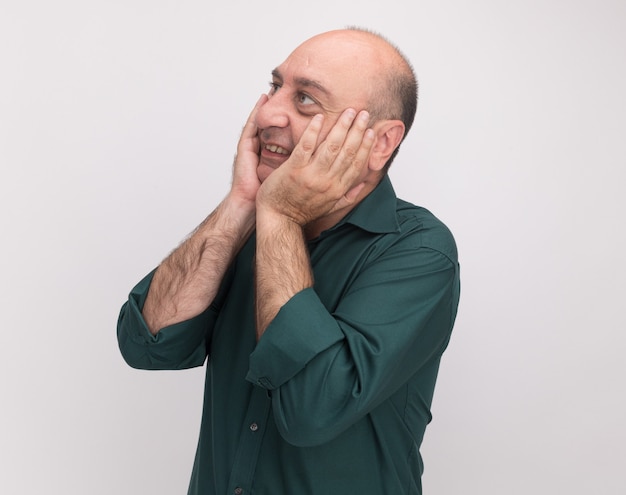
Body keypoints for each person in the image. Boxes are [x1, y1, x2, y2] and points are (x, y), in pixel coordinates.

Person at [117, 27, 460, 495]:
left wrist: (279, 215)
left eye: (306, 100)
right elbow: (149, 343)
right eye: (276, 86)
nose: (267, 112)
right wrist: (242, 202)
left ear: (381, 143)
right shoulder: (246, 226)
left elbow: (310, 410)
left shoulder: (419, 251)